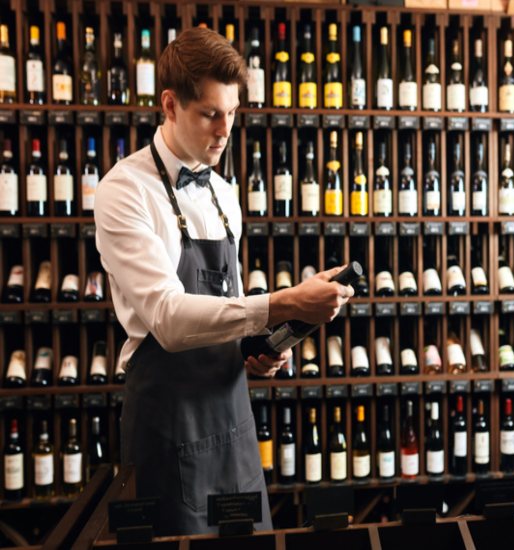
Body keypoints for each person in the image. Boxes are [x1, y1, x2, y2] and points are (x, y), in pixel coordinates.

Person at [95, 27, 353, 536]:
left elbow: (227, 307)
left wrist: (263, 347)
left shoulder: (223, 193)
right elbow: (168, 320)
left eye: (232, 113)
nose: (225, 129)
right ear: (170, 105)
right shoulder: (124, 191)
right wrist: (281, 302)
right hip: (169, 424)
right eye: (210, 114)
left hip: (232, 419)